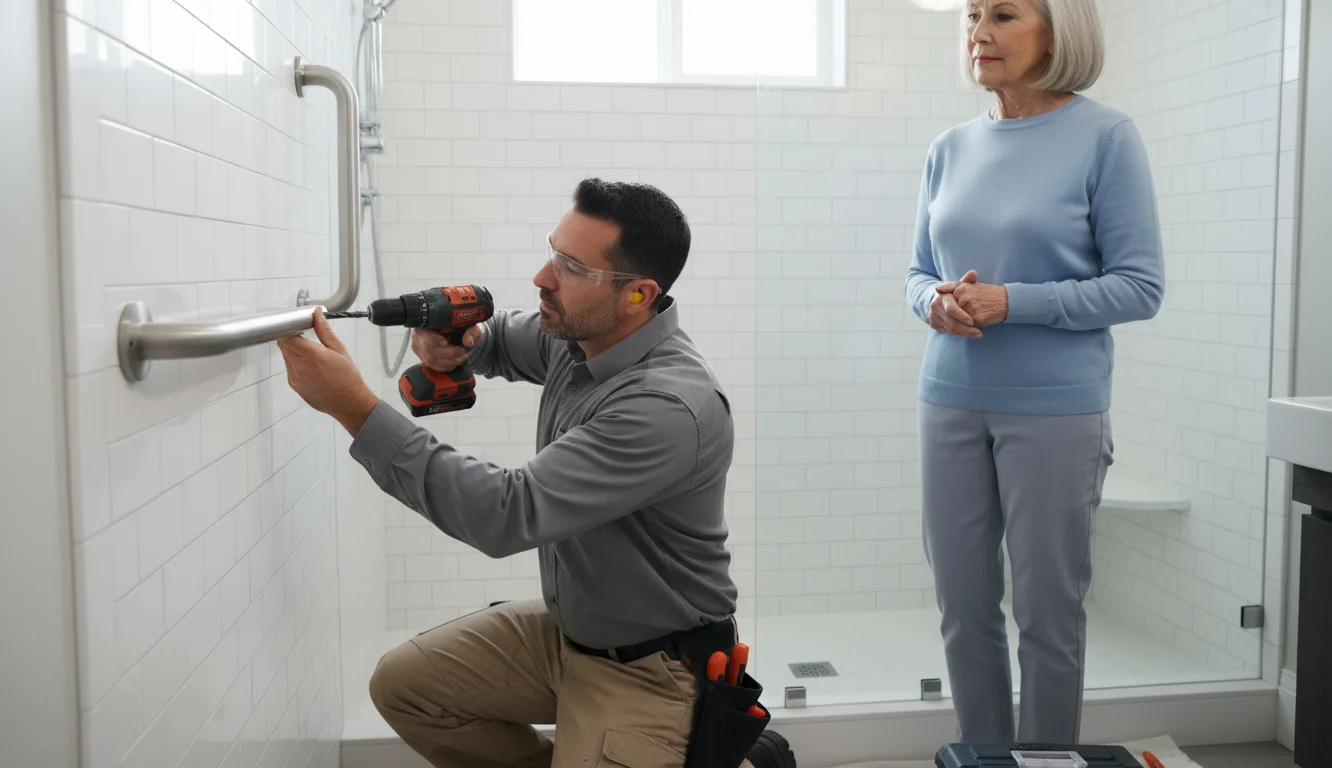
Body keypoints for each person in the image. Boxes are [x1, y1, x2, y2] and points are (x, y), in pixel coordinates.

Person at [278, 178, 794, 768]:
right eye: (553, 251)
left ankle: (741, 756)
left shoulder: (665, 407)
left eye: (571, 267)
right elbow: (499, 336)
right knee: (405, 687)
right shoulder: (584, 338)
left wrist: (353, 407)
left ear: (638, 295)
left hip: (654, 669)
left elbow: (508, 513)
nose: (542, 277)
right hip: (570, 635)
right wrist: (460, 342)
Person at [904, 0, 1164, 746]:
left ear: (1058, 32)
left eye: (1004, 14)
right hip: (948, 398)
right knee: (962, 606)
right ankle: (985, 759)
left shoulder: (1104, 137)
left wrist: (1009, 301)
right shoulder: (949, 147)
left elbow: (1139, 287)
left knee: (1049, 614)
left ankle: (1046, 764)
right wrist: (936, 303)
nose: (978, 32)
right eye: (972, 15)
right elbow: (919, 271)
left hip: (1055, 410)